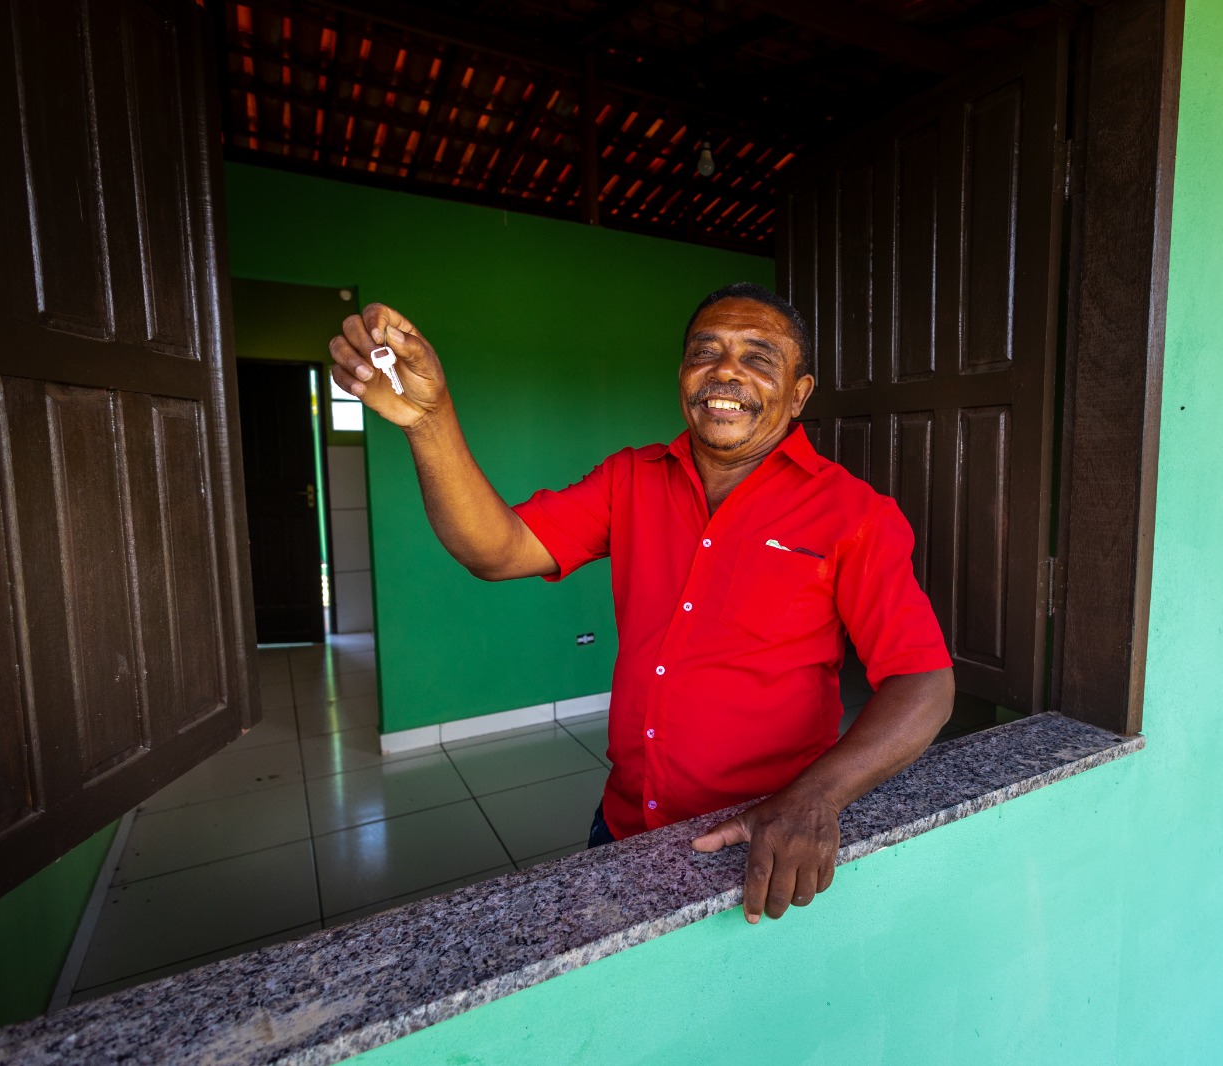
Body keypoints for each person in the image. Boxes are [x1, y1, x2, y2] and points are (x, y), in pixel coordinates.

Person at [328, 282, 955, 923]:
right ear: (684, 374)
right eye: (704, 351)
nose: (726, 371)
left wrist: (815, 798)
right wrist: (429, 420)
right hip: (624, 826)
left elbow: (924, 681)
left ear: (798, 395)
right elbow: (498, 550)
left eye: (758, 357)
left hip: (760, 839)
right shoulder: (629, 478)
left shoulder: (853, 513)